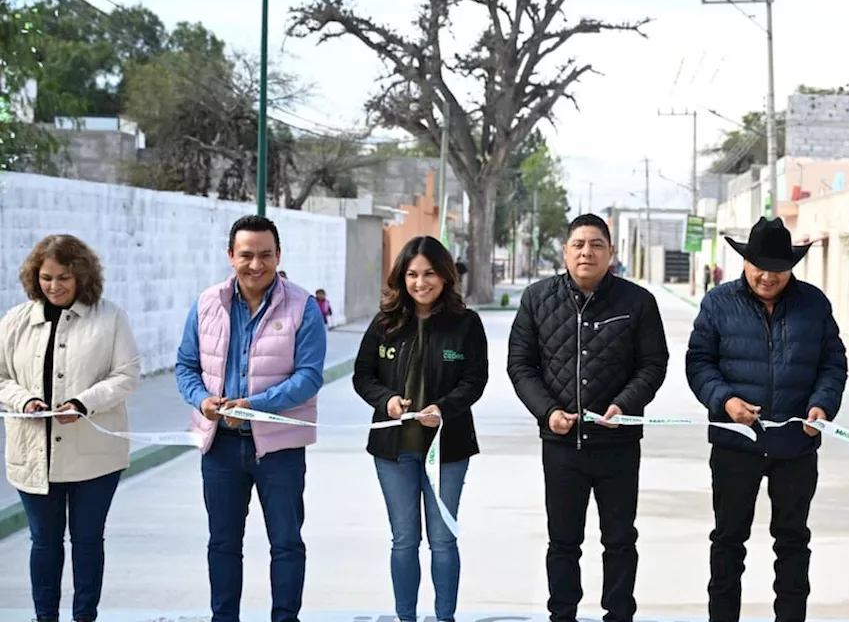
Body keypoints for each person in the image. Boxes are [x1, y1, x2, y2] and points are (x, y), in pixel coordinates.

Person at [508, 213, 669, 622]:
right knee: (563, 542)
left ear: (611, 253)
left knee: (619, 541)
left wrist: (625, 406)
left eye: (596, 244)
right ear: (565, 251)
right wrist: (547, 412)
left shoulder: (638, 302)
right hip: (562, 447)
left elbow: (653, 364)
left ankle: (619, 615)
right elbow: (521, 365)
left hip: (618, 447)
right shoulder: (536, 299)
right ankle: (562, 615)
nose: (586, 252)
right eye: (578, 244)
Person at [685, 216, 847, 622]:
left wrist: (822, 407)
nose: (767, 276)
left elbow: (833, 364)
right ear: (744, 262)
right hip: (734, 445)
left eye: (777, 268)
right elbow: (699, 363)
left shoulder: (814, 304)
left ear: (791, 266)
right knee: (728, 542)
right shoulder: (718, 302)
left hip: (795, 447)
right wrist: (725, 401)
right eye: (758, 266)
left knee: (792, 543)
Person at [175, 214, 327, 622]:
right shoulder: (207, 304)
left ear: (278, 256)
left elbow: (310, 376)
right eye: (246, 255)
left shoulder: (303, 306)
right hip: (220, 447)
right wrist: (203, 399)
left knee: (287, 543)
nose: (255, 265)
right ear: (230, 256)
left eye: (265, 255)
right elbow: (186, 366)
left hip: (279, 450)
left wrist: (256, 405)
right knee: (223, 543)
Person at [0, 234, 140, 622]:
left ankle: (84, 616)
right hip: (33, 455)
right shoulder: (15, 321)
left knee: (88, 541)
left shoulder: (110, 317)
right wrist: (23, 400)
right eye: (46, 277)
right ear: (34, 276)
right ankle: (45, 616)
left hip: (95, 457)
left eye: (64, 277)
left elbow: (127, 375)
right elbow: (0, 377)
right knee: (44, 543)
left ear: (82, 276)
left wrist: (83, 404)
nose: (55, 286)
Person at [353, 236, 489, 622]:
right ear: (402, 277)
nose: (421, 282)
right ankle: (405, 617)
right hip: (393, 450)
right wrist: (387, 402)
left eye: (429, 273)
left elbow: (475, 380)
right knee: (404, 540)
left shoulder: (466, 324)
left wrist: (444, 409)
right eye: (412, 274)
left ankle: (445, 617)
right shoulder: (384, 324)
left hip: (448, 450)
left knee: (443, 540)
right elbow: (363, 376)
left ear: (445, 276)